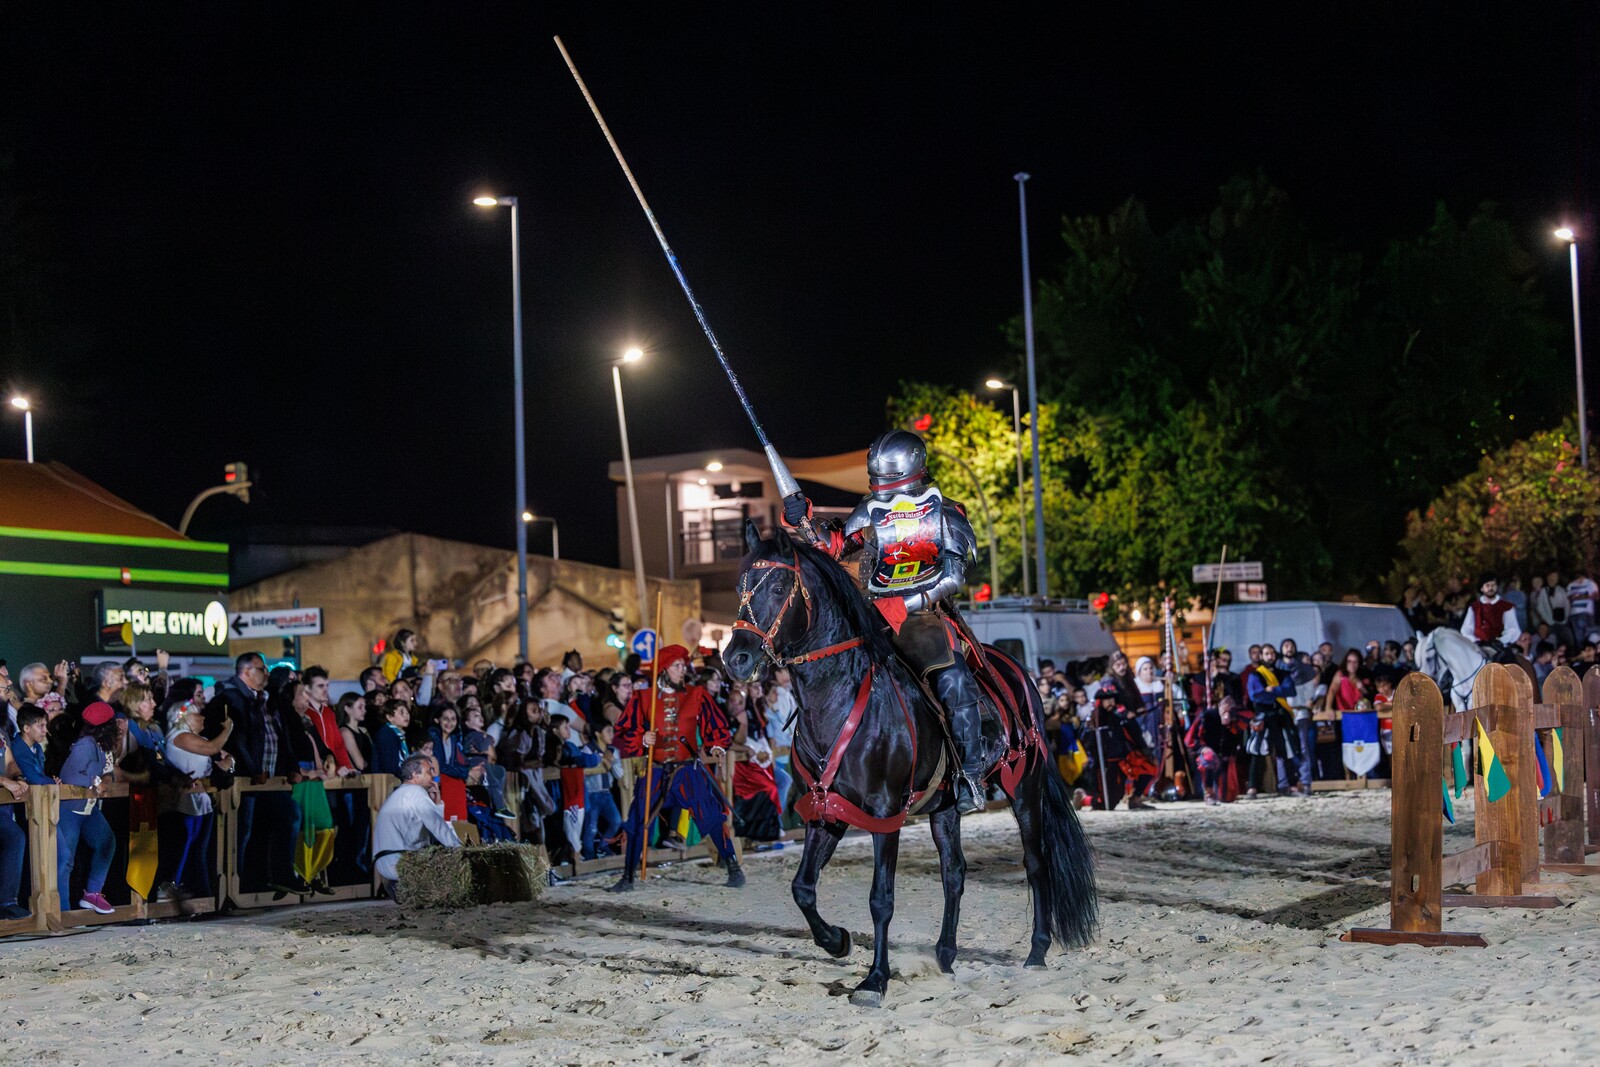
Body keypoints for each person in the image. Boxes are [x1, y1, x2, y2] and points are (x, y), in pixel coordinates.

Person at [784, 428, 988, 813]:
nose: (880, 484)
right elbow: (835, 547)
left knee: (954, 681)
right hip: (872, 615)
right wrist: (802, 520)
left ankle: (970, 774)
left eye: (887, 477)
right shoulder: (870, 510)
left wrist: (906, 605)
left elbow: (953, 577)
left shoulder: (945, 512)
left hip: (923, 616)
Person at [610, 644, 742, 891]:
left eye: (684, 666)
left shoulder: (696, 694)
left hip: (687, 770)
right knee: (637, 819)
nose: (683, 670)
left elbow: (716, 725)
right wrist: (642, 739)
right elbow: (623, 732)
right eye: (677, 666)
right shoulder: (644, 698)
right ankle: (627, 877)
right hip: (656, 770)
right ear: (663, 669)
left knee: (710, 815)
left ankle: (733, 867)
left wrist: (716, 746)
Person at [213, 652, 306, 897]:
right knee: (243, 831)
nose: (266, 673)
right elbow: (238, 738)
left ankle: (278, 876)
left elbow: (281, 734)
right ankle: (236, 886)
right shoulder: (231, 697)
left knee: (286, 816)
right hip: (245, 778)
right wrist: (253, 768)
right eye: (261, 669)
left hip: (271, 778)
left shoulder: (267, 698)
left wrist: (292, 766)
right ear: (246, 672)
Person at [158, 696, 235, 902]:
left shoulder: (193, 738)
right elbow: (213, 749)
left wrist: (229, 762)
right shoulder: (179, 736)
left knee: (198, 850)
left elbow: (226, 756)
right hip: (185, 802)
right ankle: (175, 888)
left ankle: (200, 896)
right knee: (186, 848)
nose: (202, 718)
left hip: (200, 800)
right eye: (196, 714)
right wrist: (228, 728)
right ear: (182, 717)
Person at [48, 702, 120, 913]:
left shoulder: (102, 744)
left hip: (87, 808)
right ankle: (62, 911)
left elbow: (108, 770)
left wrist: (105, 780)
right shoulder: (85, 745)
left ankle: (92, 894)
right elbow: (69, 775)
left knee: (106, 842)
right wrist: (95, 780)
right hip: (70, 809)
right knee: (66, 861)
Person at [373, 753, 461, 898]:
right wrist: (461, 852)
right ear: (415, 775)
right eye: (429, 771)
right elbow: (438, 828)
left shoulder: (399, 794)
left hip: (386, 863)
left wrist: (437, 805)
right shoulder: (416, 792)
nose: (434, 776)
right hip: (402, 862)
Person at [1243, 644, 1299, 799]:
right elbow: (1256, 695)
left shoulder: (1283, 673)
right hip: (1263, 716)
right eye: (1267, 653)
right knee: (1257, 751)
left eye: (1272, 653)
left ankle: (1292, 785)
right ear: (1261, 656)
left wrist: (1272, 690)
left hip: (1281, 716)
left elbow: (1290, 690)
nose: (1270, 656)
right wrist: (1276, 692)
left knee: (1287, 750)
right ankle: (1253, 786)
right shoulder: (1255, 675)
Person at [580, 721, 624, 859]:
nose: (612, 734)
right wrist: (600, 761)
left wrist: (613, 762)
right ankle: (589, 856)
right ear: (598, 734)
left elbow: (619, 775)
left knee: (616, 821)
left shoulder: (613, 751)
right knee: (591, 828)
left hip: (606, 793)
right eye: (608, 731)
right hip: (591, 793)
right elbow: (583, 771)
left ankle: (603, 846)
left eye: (612, 731)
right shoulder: (588, 749)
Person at [0, 728, 29, 918]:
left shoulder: (1, 731)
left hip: (3, 806)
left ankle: (8, 902)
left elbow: (9, 761)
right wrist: (4, 781)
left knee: (15, 838)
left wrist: (18, 778)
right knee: (15, 837)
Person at [1460, 574, 1521, 651]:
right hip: (1477, 648)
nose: (1491, 588)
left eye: (1493, 585)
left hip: (1500, 648)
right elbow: (1466, 630)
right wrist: (1476, 641)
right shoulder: (1474, 607)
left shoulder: (1506, 607)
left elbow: (1513, 629)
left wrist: (1501, 641)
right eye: (1487, 585)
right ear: (1482, 588)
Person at [9, 705, 51, 784]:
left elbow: (41, 776)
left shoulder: (37, 747)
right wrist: (53, 783)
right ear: (26, 728)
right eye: (41, 726)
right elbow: (34, 779)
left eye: (46, 725)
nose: (45, 730)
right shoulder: (17, 750)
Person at [372, 700, 413, 777]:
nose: (406, 715)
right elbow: (389, 766)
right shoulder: (386, 735)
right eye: (401, 712)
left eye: (407, 712)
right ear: (390, 717)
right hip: (388, 779)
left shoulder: (400, 734)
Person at [337, 692, 372, 773]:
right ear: (347, 709)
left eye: (364, 707)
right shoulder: (345, 732)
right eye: (360, 707)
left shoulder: (362, 731)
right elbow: (360, 764)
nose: (364, 710)